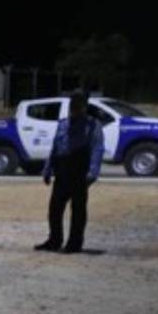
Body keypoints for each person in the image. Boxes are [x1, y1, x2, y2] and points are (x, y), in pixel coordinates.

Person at [36, 90, 105, 254]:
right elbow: (55, 148)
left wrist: (92, 172)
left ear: (85, 105)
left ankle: (74, 244)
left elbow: (97, 149)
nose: (74, 106)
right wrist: (47, 169)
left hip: (80, 170)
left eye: (78, 102)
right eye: (73, 102)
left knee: (78, 211)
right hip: (62, 170)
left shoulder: (93, 125)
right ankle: (54, 240)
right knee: (55, 209)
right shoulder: (63, 124)